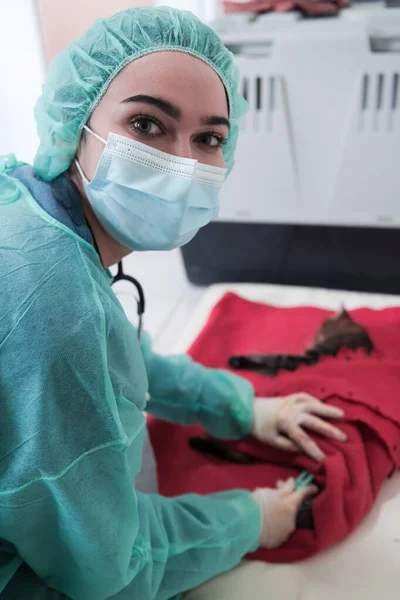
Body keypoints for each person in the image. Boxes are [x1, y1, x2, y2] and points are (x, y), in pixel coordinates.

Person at [0, 7, 346, 599]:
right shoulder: (57, 311)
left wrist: (241, 408)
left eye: (209, 138)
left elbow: (114, 359)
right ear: (75, 120)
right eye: (147, 125)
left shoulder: (24, 207)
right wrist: (249, 521)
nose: (183, 163)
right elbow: (109, 569)